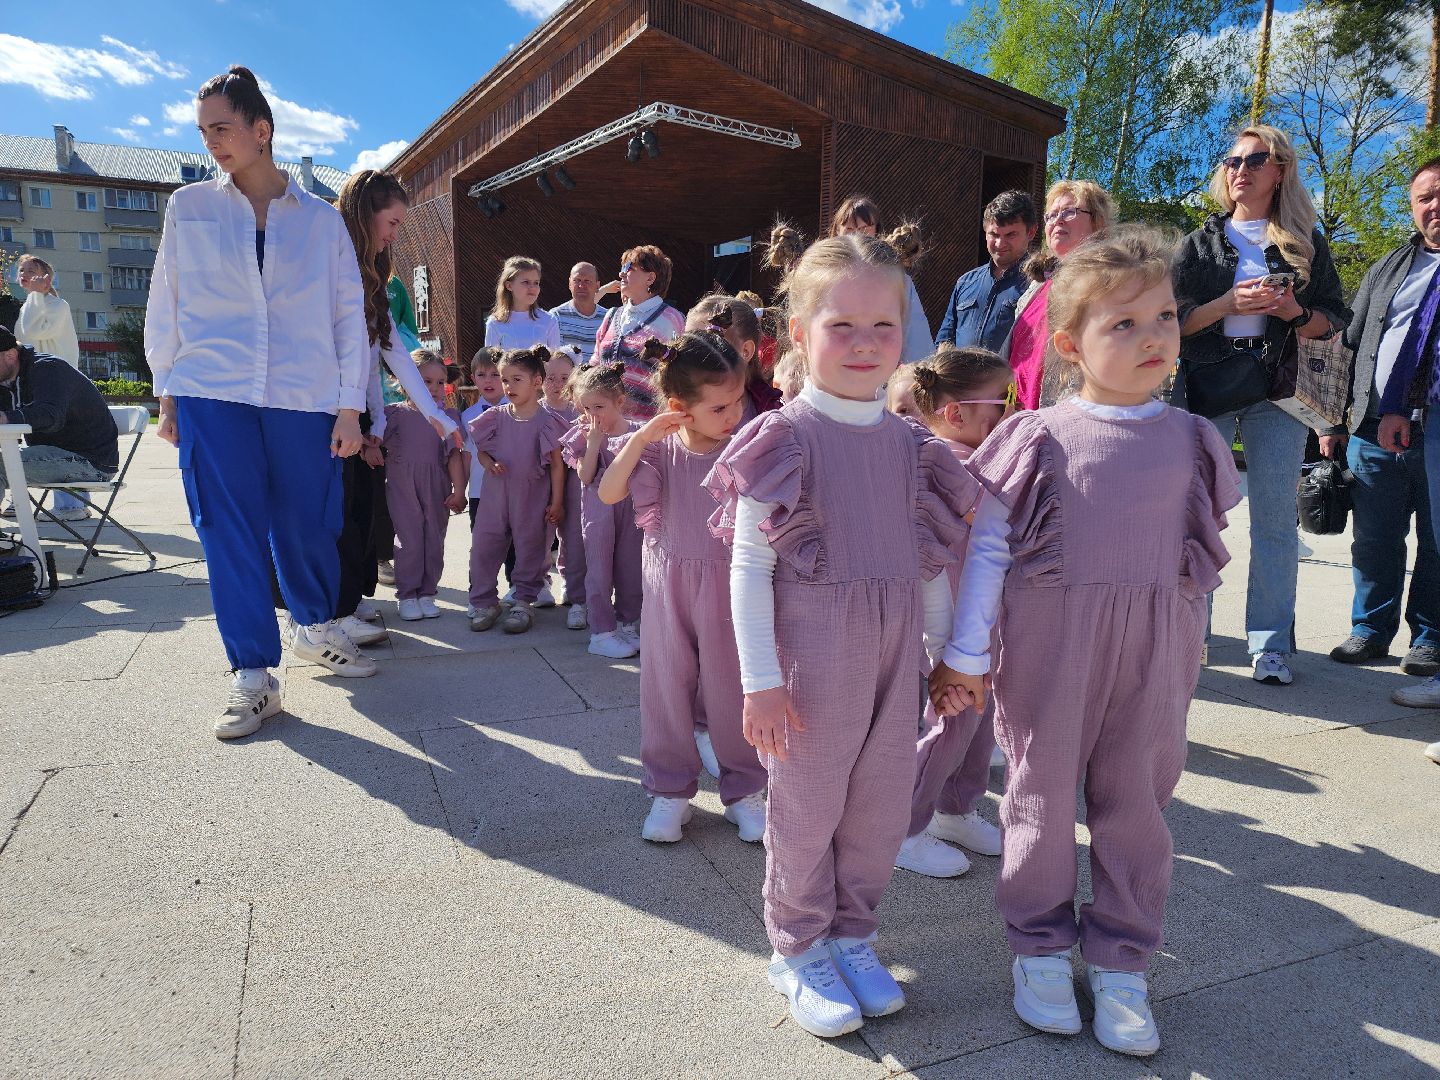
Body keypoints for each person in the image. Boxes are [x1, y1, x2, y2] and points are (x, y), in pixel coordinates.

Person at [929, 225, 1240, 1057]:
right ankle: (1037, 947)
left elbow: (1196, 558)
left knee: (1138, 801)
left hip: (1155, 650)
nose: (1154, 338)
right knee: (1038, 792)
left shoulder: (1191, 440)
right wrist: (964, 653)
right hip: (1050, 646)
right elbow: (990, 544)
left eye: (1166, 318)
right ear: (1069, 343)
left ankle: (1122, 958)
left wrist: (1193, 650)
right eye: (1124, 324)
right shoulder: (1039, 437)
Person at [706, 233, 977, 1039]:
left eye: (882, 328)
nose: (864, 345)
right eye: (841, 326)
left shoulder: (913, 447)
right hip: (812, 661)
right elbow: (749, 569)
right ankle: (797, 948)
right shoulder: (781, 438)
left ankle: (854, 934)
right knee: (808, 803)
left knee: (878, 804)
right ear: (796, 334)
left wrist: (940, 656)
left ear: (906, 334)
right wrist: (760, 678)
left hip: (895, 662)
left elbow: (927, 563)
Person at [146, 65, 376, 739]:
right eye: (204, 130)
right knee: (227, 531)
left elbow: (346, 316)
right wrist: (167, 391)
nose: (212, 141)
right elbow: (167, 302)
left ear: (261, 130)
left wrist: (349, 406)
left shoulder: (324, 224)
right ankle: (253, 674)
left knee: (307, 523)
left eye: (223, 127)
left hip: (303, 394)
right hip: (211, 389)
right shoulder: (189, 208)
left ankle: (313, 629)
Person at [1172, 124, 1348, 687]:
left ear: (1280, 171)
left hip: (1276, 393)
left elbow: (1335, 322)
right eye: (1232, 160)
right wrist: (1228, 302)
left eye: (1255, 159)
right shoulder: (1200, 243)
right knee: (1198, 522)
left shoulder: (1305, 240)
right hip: (1207, 386)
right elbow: (1172, 320)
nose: (1239, 169)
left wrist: (1292, 311)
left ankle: (1270, 644)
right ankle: (1189, 638)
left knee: (1274, 524)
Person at [596, 316, 767, 843]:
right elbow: (608, 493)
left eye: (738, 400)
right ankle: (669, 792)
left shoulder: (748, 444)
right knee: (665, 688)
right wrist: (640, 436)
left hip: (731, 587)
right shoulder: (658, 450)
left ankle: (746, 790)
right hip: (667, 587)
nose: (734, 414)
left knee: (731, 687)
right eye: (720, 407)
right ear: (678, 409)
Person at [895, 346, 1012, 879]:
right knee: (950, 721)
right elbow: (928, 560)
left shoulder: (977, 458)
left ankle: (955, 808)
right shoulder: (935, 463)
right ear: (957, 412)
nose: (1009, 412)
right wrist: (942, 645)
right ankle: (905, 826)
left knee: (980, 722)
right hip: (949, 628)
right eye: (1001, 400)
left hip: (983, 624)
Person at [1324, 159, 1440, 679]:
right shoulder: (1388, 267)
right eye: (1424, 198)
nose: (1433, 206)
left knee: (1437, 541)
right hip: (1373, 427)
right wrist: (1331, 420)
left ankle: (1431, 637)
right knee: (1374, 537)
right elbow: (1347, 345)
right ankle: (1370, 630)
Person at [335, 169, 461, 647]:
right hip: (324, 407)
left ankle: (348, 597)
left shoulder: (375, 278)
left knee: (359, 509)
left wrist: (425, 411)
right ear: (364, 213)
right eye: (391, 221)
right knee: (337, 509)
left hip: (357, 409)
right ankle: (329, 606)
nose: (394, 233)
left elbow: (383, 352)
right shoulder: (333, 262)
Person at [466, 345, 566, 635]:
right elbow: (482, 452)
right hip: (495, 497)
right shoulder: (495, 417)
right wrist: (489, 464)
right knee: (484, 547)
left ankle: (523, 602)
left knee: (530, 549)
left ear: (537, 382)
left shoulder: (548, 422)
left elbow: (557, 466)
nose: (507, 386)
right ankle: (484, 602)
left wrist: (557, 502)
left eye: (516, 379)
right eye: (504, 379)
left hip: (532, 498)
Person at [1007, 181, 1116, 410]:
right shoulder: (1034, 290)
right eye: (1051, 215)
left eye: (1069, 212)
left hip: (1068, 419)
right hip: (1021, 418)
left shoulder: (1110, 284)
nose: (1058, 220)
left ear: (1098, 222)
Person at [561, 362, 644, 659]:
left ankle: (626, 625)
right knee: (598, 572)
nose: (590, 415)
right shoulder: (583, 435)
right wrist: (594, 443)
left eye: (598, 407)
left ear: (619, 402)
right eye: (585, 408)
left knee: (631, 569)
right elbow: (585, 476)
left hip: (632, 512)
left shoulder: (638, 433)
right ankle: (601, 632)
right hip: (598, 515)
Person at [0, 325, 118, 518]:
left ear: (11, 355)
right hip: (53, 457)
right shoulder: (6, 379)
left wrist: (5, 417)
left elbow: (51, 415)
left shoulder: (48, 369)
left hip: (90, 463)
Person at [384, 352, 468, 621]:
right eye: (425, 382)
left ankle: (427, 592)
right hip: (402, 485)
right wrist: (371, 448)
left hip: (436, 486)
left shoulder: (449, 416)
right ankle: (407, 595)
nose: (433, 388)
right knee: (409, 539)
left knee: (434, 538)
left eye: (439, 382)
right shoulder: (395, 414)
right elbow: (374, 441)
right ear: (405, 382)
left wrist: (458, 490)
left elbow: (454, 456)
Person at [14, 255, 86, 518]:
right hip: (40, 383)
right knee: (48, 439)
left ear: (46, 278)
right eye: (22, 270)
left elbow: (32, 335)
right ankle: (72, 502)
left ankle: (72, 505)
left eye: (32, 270)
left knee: (61, 440)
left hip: (59, 384)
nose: (25, 273)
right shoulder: (29, 306)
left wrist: (36, 295)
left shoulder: (58, 305)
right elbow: (22, 339)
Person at [828, 196, 933, 363]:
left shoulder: (897, 281)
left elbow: (915, 338)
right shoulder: (823, 278)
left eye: (864, 229)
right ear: (837, 232)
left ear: (876, 231)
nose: (856, 235)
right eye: (848, 229)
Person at [590, 246, 686, 420]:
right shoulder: (611, 315)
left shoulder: (672, 320)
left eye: (629, 268)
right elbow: (595, 363)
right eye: (622, 268)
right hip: (602, 425)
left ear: (650, 278)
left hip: (645, 430)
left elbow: (679, 376)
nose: (621, 274)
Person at [935, 191, 1039, 352]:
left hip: (1010, 377)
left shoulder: (1038, 285)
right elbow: (944, 340)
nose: (1000, 243)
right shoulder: (966, 282)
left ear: (1031, 232)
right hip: (960, 376)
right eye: (994, 234)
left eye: (1010, 235)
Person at [543, 346, 587, 627]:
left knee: (573, 532)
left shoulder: (579, 410)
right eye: (550, 378)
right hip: (542, 479)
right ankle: (538, 582)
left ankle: (573, 583)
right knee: (541, 533)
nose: (557, 384)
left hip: (574, 479)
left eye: (563, 378)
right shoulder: (538, 410)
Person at [686, 294, 781, 425]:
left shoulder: (770, 415)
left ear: (746, 351)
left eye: (711, 344)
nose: (693, 356)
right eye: (688, 345)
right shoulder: (678, 408)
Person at [485, 257, 561, 352]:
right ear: (509, 285)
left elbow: (555, 362)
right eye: (526, 282)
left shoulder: (549, 320)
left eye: (536, 283)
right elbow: (491, 364)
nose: (532, 288)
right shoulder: (495, 323)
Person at [549, 262, 613, 354]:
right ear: (569, 283)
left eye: (587, 281)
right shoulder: (556, 317)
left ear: (597, 286)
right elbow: (553, 358)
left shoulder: (608, 319)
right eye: (577, 280)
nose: (581, 286)